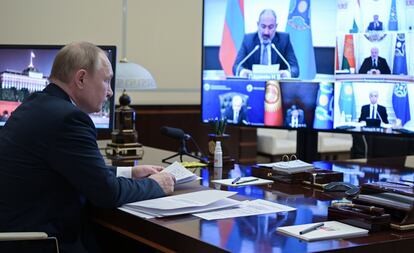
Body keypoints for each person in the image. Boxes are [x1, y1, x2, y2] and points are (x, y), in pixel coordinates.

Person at [0, 42, 175, 253]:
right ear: (81, 78)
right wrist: (157, 185)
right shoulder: (68, 119)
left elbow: (74, 168)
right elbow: (107, 192)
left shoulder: (34, 104)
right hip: (43, 243)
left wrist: (129, 172)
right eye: (107, 81)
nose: (110, 92)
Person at [232, 9, 299, 78]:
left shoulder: (284, 40)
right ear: (258, 25)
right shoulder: (248, 40)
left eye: (270, 27)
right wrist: (243, 72)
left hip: (277, 86)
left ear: (276, 26)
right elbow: (237, 66)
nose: (266, 32)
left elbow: (295, 68)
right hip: (253, 85)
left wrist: (286, 73)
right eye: (263, 26)